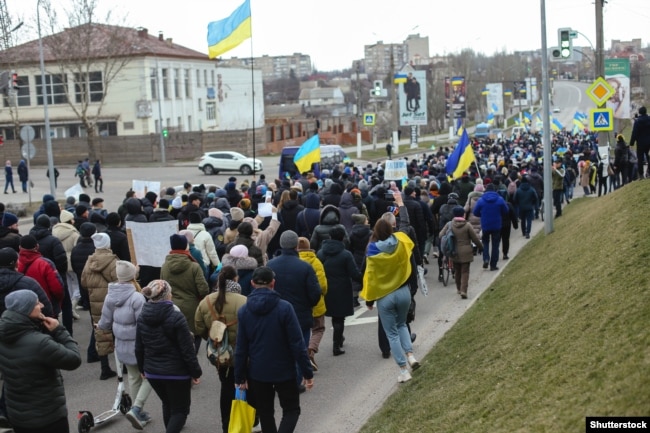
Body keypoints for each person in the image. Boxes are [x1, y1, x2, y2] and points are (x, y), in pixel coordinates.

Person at [234, 266, 314, 433]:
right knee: (291, 410)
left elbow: (241, 347)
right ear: (273, 283)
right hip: (284, 369)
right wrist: (307, 372)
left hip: (258, 371)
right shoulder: (285, 308)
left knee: (265, 412)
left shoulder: (244, 311)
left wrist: (240, 376)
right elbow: (297, 344)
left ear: (252, 283)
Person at [0, 290, 81, 433]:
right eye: (37, 303)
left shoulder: (4, 335)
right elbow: (74, 359)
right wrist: (59, 330)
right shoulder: (40, 343)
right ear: (26, 309)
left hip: (18, 416)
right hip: (48, 417)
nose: (42, 305)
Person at [136, 280, 202, 433]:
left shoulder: (142, 316)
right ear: (167, 295)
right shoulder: (176, 317)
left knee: (168, 404)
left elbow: (139, 347)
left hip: (152, 371)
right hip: (176, 373)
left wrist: (142, 368)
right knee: (180, 410)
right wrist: (195, 372)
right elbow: (187, 350)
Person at [361, 218, 420, 383]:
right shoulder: (401, 241)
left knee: (391, 333)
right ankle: (411, 356)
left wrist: (369, 300)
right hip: (403, 291)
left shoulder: (372, 250)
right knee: (402, 324)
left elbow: (370, 277)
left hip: (385, 296)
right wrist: (400, 205)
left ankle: (403, 370)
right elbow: (407, 231)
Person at [98, 260, 153, 430]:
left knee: (133, 377)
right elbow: (144, 325)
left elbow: (105, 323)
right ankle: (136, 409)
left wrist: (100, 326)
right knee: (152, 374)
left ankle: (137, 411)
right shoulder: (137, 297)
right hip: (139, 346)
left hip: (121, 345)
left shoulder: (110, 295)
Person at [194, 266, 247, 433]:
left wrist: (213, 339)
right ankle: (245, 423)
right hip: (242, 353)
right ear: (236, 279)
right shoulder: (244, 301)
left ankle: (227, 425)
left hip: (220, 354)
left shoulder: (206, 302)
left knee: (226, 387)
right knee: (244, 386)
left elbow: (199, 327)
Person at [160, 234, 210, 353]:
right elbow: (203, 289)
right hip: (192, 307)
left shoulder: (164, 266)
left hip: (171, 306)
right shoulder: (194, 266)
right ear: (185, 246)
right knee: (194, 337)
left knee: (176, 338)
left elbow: (163, 287)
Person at [317, 226, 362, 356]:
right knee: (339, 318)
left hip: (327, 289)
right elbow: (354, 273)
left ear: (329, 237)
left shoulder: (320, 253)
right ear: (342, 238)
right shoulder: (345, 255)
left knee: (334, 316)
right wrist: (364, 277)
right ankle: (336, 345)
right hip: (342, 290)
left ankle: (339, 339)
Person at [81, 232, 118, 379]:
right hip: (112, 301)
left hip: (95, 301)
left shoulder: (89, 261)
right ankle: (124, 365)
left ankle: (105, 368)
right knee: (118, 332)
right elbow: (119, 281)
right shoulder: (112, 261)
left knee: (100, 333)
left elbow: (84, 282)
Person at [439, 206, 483, 299]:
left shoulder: (449, 224)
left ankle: (459, 289)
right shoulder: (467, 225)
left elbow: (440, 235)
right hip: (466, 251)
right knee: (465, 271)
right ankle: (464, 290)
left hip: (453, 251)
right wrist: (481, 247)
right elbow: (475, 238)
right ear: (463, 214)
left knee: (457, 271)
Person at [17, 235, 65, 317]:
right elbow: (57, 288)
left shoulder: (16, 264)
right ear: (37, 246)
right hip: (46, 305)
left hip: (24, 308)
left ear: (20, 247)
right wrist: (58, 301)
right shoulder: (45, 263)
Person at [473, 184, 508, 271]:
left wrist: (482, 215)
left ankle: (486, 259)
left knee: (485, 242)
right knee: (495, 245)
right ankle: (493, 265)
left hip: (485, 225)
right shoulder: (500, 199)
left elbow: (475, 212)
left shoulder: (481, 200)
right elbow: (506, 210)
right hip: (496, 225)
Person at [630, 106, 650, 179]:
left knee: (640, 159)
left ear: (640, 112)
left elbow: (634, 133)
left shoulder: (637, 121)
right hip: (649, 142)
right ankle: (649, 173)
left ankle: (641, 175)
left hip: (640, 143)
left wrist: (631, 143)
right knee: (648, 157)